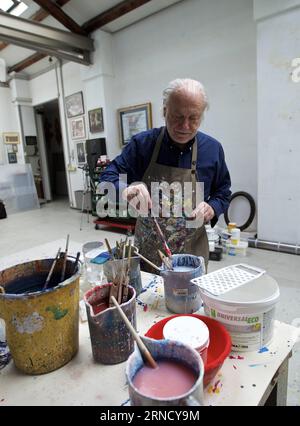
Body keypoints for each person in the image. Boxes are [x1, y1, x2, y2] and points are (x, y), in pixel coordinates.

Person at [99, 78, 231, 271]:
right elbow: (106, 179)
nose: (185, 126)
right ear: (164, 111)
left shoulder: (212, 149)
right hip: (148, 256)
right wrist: (126, 189)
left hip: (191, 259)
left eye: (193, 118)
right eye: (177, 116)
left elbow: (223, 192)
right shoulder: (143, 145)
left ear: (202, 116)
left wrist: (213, 207)